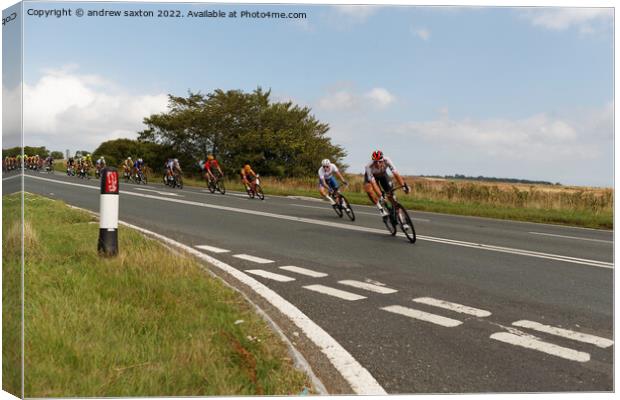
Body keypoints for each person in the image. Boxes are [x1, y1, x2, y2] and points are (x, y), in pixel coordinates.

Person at [364, 150, 410, 217]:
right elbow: (374, 184)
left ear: (382, 160)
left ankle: (400, 216)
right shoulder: (368, 166)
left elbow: (396, 174)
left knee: (390, 194)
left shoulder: (387, 160)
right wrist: (380, 196)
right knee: (369, 190)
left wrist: (403, 187)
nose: (377, 164)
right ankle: (381, 209)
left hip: (383, 175)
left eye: (379, 161)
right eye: (375, 162)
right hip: (373, 177)